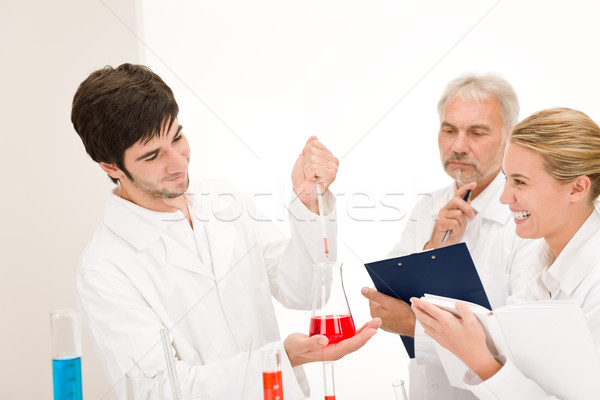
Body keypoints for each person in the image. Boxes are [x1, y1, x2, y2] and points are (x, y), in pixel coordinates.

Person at [71, 63, 380, 399]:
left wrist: (307, 201)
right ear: (111, 166)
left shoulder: (222, 198)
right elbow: (158, 390)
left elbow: (303, 290)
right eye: (153, 155)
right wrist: (281, 358)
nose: (178, 162)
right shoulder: (103, 269)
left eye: (177, 137)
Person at [361, 73, 540, 400]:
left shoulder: (529, 217)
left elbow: (523, 341)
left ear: (509, 136)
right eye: (449, 130)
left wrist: (413, 324)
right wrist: (433, 246)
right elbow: (382, 306)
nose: (458, 146)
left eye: (477, 132)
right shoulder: (426, 207)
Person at [411, 107, 600, 399]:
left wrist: (483, 362)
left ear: (577, 187)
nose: (504, 197)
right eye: (506, 178)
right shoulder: (539, 263)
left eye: (520, 182)